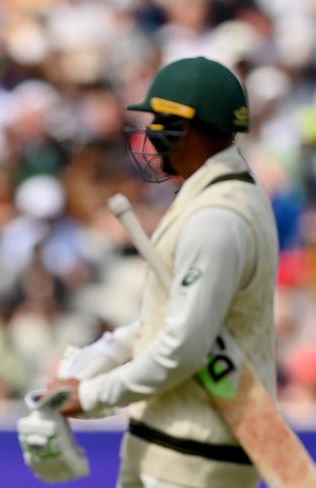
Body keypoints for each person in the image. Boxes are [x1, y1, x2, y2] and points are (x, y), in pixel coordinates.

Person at [48, 57, 278, 487]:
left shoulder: (218, 216)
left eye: (158, 120)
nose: (150, 133)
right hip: (169, 444)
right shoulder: (215, 196)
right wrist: (96, 358)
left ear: (187, 127)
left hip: (195, 456)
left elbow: (184, 347)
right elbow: (171, 319)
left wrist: (92, 395)